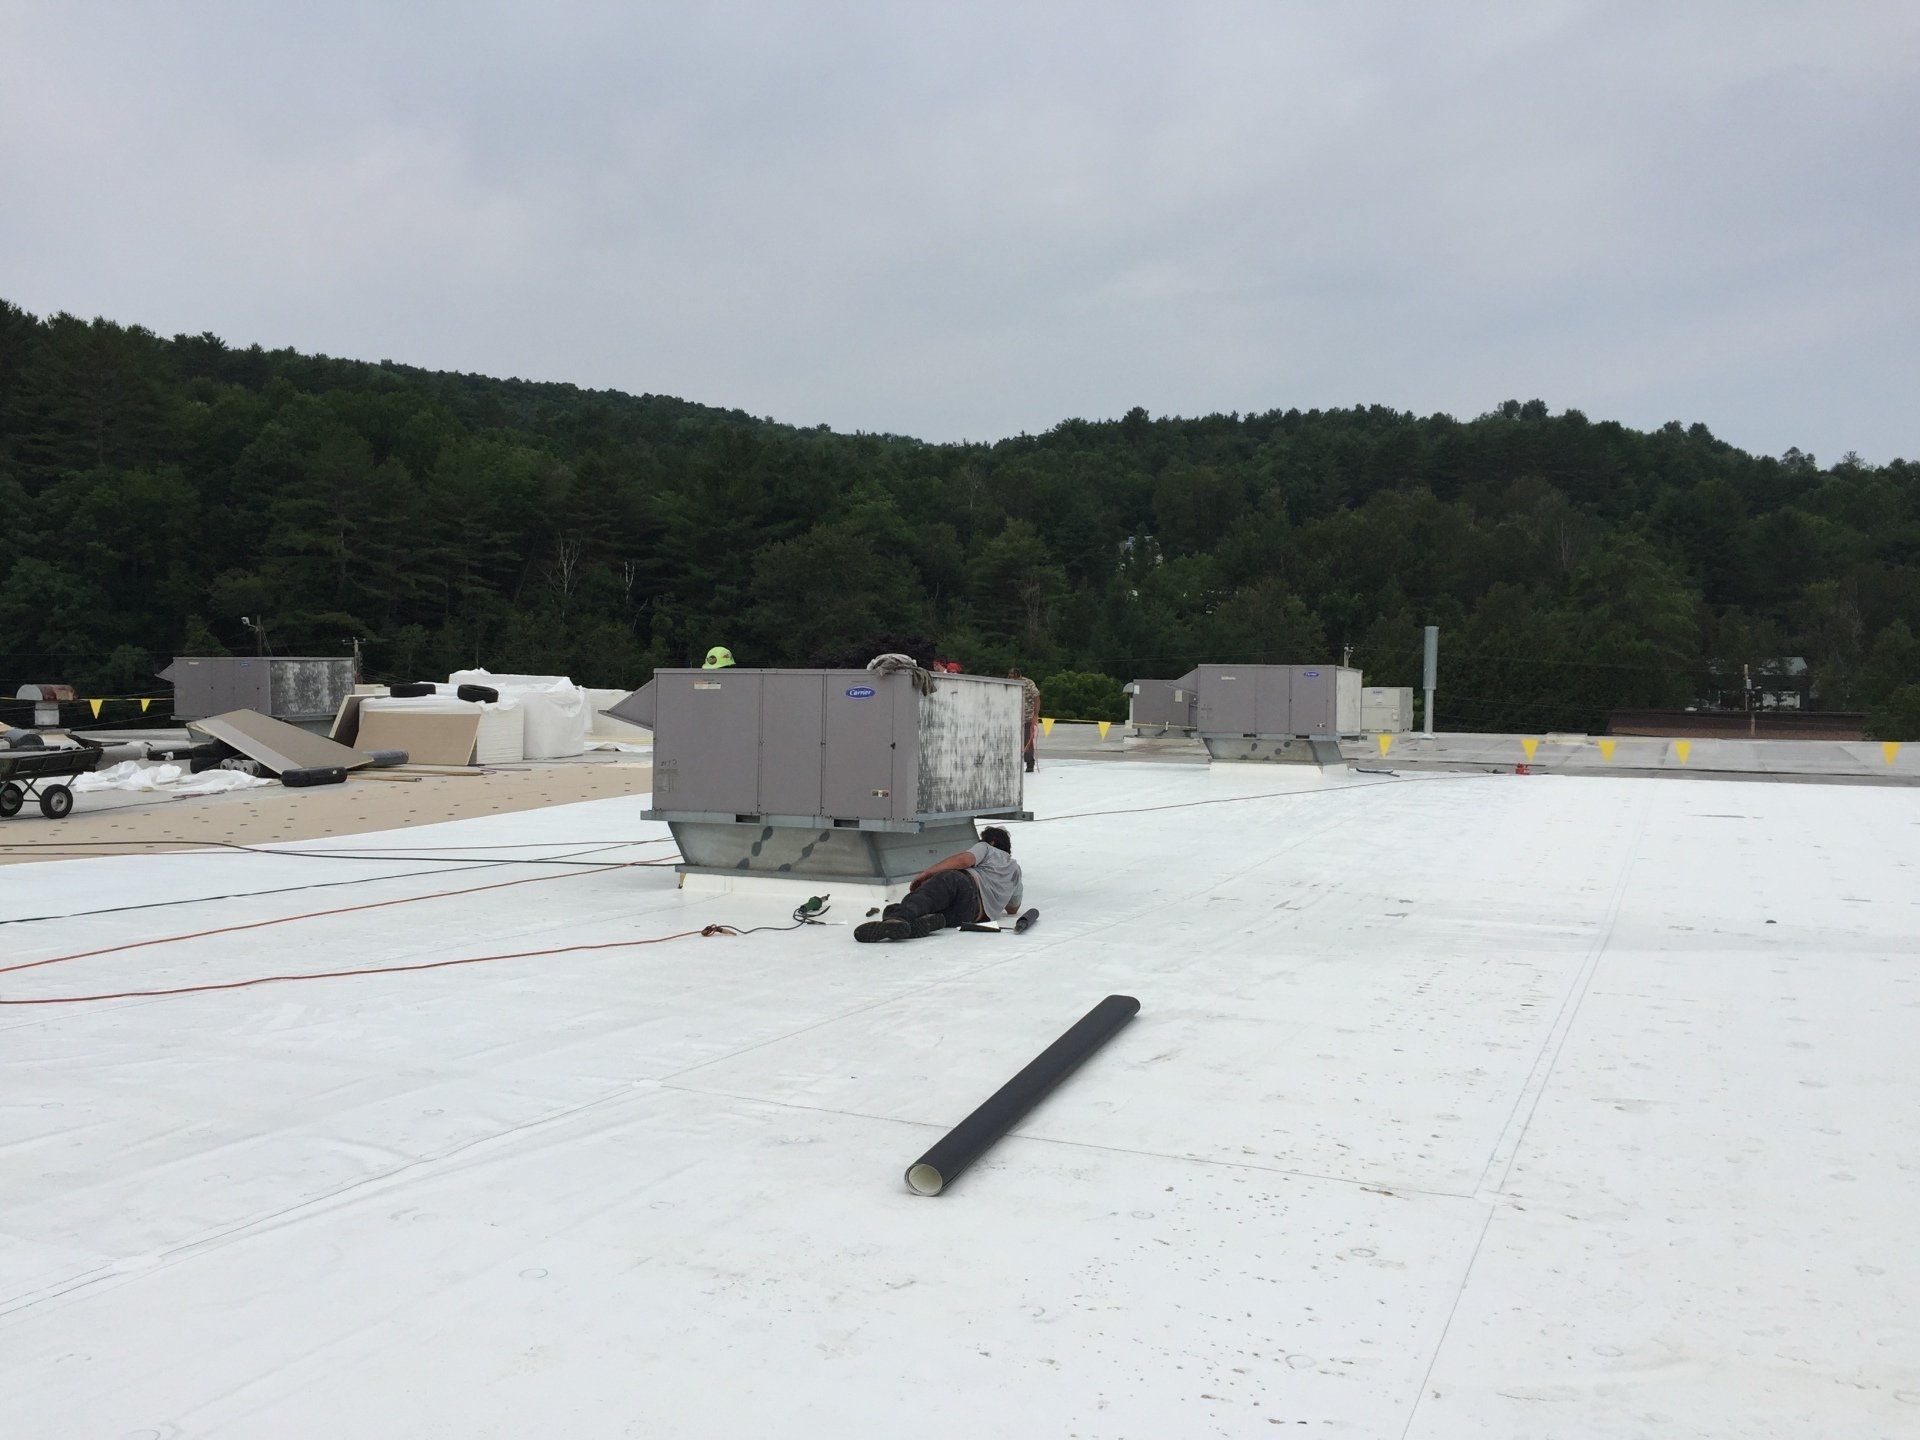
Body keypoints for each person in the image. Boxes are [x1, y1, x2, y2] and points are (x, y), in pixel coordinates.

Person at [855, 826, 1023, 942]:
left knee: (925, 897)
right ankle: (918, 924)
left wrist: (928, 873)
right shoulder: (1015, 870)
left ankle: (896, 919)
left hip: (965, 885)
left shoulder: (987, 848)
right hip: (972, 915)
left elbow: (964, 860)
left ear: (992, 841)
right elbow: (1013, 909)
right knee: (934, 912)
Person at [1009, 668, 1041, 771]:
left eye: (1013, 676)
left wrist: (1035, 715)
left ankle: (1029, 763)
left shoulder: (1028, 683)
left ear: (1018, 676)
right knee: (1012, 740)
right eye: (1010, 676)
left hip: (1027, 716)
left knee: (1027, 740)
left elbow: (1037, 697)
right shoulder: (1008, 683)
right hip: (1013, 716)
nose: (1011, 678)